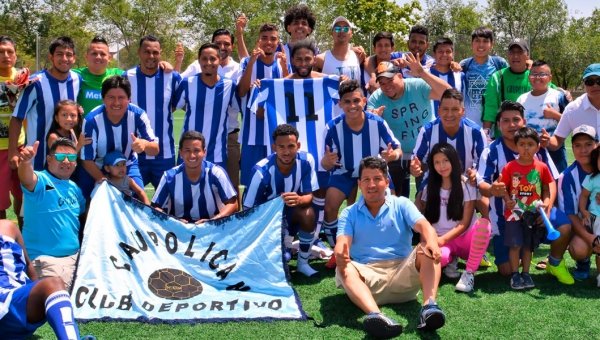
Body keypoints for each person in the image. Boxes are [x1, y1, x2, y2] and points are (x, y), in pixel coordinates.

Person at [334, 156, 445, 338]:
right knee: (343, 267)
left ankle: (429, 307)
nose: (372, 184)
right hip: (367, 280)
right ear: (359, 184)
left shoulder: (402, 204)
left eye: (377, 179)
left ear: (386, 182)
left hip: (403, 275)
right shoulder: (349, 212)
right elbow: (342, 241)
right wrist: (341, 252)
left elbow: (425, 227)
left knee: (427, 248)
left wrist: (432, 242)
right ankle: (375, 315)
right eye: (367, 180)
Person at [478, 101, 573, 285]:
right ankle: (519, 256)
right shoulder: (491, 151)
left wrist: (547, 206)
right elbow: (482, 183)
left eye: (516, 119)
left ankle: (554, 262)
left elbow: (551, 182)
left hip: (536, 211)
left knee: (564, 226)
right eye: (505, 121)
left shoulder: (537, 148)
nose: (511, 124)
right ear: (499, 125)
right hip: (507, 217)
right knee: (506, 270)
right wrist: (492, 190)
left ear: (524, 121)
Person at [321, 79, 401, 250]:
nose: (352, 106)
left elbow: (397, 150)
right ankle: (338, 247)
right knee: (329, 206)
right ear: (340, 103)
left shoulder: (377, 123)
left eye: (356, 100)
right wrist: (326, 162)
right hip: (344, 170)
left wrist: (392, 155)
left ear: (364, 101)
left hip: (373, 173)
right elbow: (327, 163)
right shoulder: (332, 127)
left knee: (391, 204)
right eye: (347, 102)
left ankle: (386, 242)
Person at [243, 124, 319, 277]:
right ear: (274, 147)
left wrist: (298, 199)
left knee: (309, 213)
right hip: (266, 221)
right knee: (281, 265)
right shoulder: (261, 171)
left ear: (298, 145)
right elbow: (248, 210)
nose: (286, 151)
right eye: (281, 147)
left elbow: (309, 196)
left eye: (291, 146)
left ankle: (303, 263)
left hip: (290, 214)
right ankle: (282, 247)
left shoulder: (306, 161)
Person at [367, 60, 451, 197]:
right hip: (396, 153)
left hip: (427, 150)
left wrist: (422, 73)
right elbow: (369, 121)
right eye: (382, 83)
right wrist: (373, 119)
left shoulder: (417, 86)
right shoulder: (376, 98)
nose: (386, 86)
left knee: (428, 195)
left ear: (400, 76)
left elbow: (448, 94)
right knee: (390, 195)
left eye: (390, 80)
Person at [419, 143, 491, 292]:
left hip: (464, 239)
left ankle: (469, 273)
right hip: (441, 241)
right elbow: (425, 221)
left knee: (485, 224)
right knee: (440, 258)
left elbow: (464, 224)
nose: (442, 166)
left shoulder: (466, 185)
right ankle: (451, 260)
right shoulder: (429, 188)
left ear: (454, 161)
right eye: (437, 162)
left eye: (445, 160)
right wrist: (426, 242)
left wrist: (442, 240)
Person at [17, 138, 85, 290]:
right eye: (60, 157)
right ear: (49, 159)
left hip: (76, 259)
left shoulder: (75, 188)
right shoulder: (41, 180)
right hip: (46, 261)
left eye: (72, 157)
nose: (66, 161)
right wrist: (26, 162)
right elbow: (27, 179)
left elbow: (83, 215)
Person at [0, 219, 81, 340]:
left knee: (53, 284)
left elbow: (29, 266)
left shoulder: (8, 227)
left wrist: (40, 296)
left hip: (16, 302)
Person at [81, 75, 159, 198]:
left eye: (121, 98)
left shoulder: (138, 115)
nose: (116, 103)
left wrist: (145, 144)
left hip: (127, 165)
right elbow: (86, 159)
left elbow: (155, 149)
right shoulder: (92, 120)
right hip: (98, 167)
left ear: (129, 99)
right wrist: (105, 182)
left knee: (138, 200)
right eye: (111, 97)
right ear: (103, 99)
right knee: (88, 200)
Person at [9, 36, 81, 170]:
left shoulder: (77, 79)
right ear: (51, 57)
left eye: (69, 55)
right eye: (59, 54)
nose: (64, 59)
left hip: (66, 161)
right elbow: (17, 117)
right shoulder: (36, 82)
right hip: (37, 159)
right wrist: (13, 151)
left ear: (74, 58)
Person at [499, 127, 554, 289]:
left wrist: (546, 201)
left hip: (532, 213)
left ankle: (526, 273)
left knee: (528, 246)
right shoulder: (509, 167)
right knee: (515, 245)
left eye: (530, 144)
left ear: (537, 147)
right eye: (522, 144)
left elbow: (546, 188)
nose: (526, 148)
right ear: (516, 146)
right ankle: (515, 274)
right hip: (514, 213)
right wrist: (507, 199)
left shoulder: (542, 167)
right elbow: (503, 187)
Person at [124, 35, 182, 189]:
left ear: (160, 53)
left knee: (168, 203)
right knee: (134, 201)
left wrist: (177, 63)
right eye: (146, 52)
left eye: (155, 52)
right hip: (134, 152)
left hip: (164, 153)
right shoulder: (127, 77)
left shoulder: (172, 77)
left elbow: (176, 105)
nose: (151, 56)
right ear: (139, 52)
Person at [238, 23, 289, 189]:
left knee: (276, 183)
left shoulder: (282, 64)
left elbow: (289, 93)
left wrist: (284, 68)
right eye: (265, 38)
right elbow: (241, 91)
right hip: (252, 134)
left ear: (278, 41)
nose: (269, 42)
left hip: (277, 135)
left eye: (273, 39)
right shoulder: (247, 62)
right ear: (258, 41)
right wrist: (252, 63)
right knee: (250, 182)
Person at [175, 43, 239, 168]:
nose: (208, 63)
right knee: (186, 187)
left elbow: (240, 108)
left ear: (219, 60)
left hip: (217, 154)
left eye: (213, 59)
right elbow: (171, 107)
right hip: (189, 153)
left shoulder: (230, 85)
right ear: (199, 61)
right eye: (204, 59)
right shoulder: (188, 83)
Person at [152, 130, 238, 223]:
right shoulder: (169, 177)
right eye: (187, 150)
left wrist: (213, 221)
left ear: (204, 152)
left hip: (212, 229)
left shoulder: (216, 173)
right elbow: (156, 207)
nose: (192, 155)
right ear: (180, 153)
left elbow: (233, 204)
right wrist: (173, 221)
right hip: (179, 230)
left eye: (196, 150)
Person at [559, 125, 600, 281]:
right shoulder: (567, 176)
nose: (583, 150)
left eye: (588, 144)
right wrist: (591, 239)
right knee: (579, 249)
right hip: (585, 225)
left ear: (597, 145)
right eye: (578, 145)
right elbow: (569, 214)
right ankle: (583, 262)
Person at [517, 60, 569, 172]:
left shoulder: (559, 96)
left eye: (542, 74)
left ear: (550, 77)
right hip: (529, 153)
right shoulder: (521, 99)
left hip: (555, 153)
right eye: (534, 74)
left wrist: (555, 115)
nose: (537, 78)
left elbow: (571, 122)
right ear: (529, 76)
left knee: (557, 184)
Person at [0, 35, 28, 223]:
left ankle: (23, 234)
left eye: (10, 51)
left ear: (16, 55)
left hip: (19, 145)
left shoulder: (23, 78)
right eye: (1, 52)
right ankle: (3, 240)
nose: (5, 55)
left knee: (22, 194)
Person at [482, 39, 531, 138]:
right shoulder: (497, 77)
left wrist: (563, 91)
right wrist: (485, 133)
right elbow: (490, 108)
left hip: (529, 138)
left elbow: (550, 91)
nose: (515, 56)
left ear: (527, 55)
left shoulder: (535, 77)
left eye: (520, 52)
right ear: (508, 55)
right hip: (503, 138)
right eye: (512, 52)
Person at [459, 27, 507, 128]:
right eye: (477, 41)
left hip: (494, 125)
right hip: (469, 125)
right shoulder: (464, 65)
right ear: (471, 44)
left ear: (492, 44)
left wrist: (527, 65)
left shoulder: (500, 64)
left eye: (485, 41)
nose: (481, 45)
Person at [315, 16, 367, 103]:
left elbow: (371, 62)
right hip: (331, 111)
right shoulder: (321, 59)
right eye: (338, 28)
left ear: (351, 33)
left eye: (346, 29)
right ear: (332, 33)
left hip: (353, 111)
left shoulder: (358, 56)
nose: (342, 31)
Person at [549, 63, 600, 151]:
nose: (595, 85)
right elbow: (558, 139)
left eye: (599, 81)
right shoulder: (573, 109)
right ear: (584, 84)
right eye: (589, 82)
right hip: (586, 163)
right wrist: (544, 140)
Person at [73, 36, 123, 115]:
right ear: (86, 57)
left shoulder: (119, 75)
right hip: (83, 126)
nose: (98, 57)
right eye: (94, 53)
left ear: (109, 58)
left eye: (102, 54)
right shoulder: (75, 75)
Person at [429, 38, 464, 116]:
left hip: (454, 124)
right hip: (430, 125)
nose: (444, 54)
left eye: (448, 52)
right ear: (434, 54)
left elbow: (462, 102)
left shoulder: (460, 76)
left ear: (453, 54)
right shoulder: (426, 74)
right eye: (440, 51)